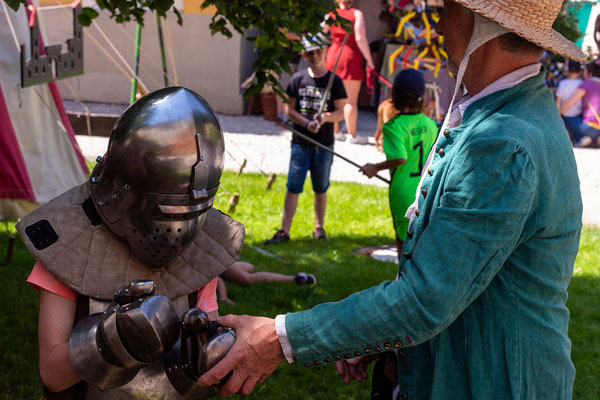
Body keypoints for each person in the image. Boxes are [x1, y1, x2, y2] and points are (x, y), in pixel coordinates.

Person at [198, 1, 585, 399]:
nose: (437, 27)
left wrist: (279, 338)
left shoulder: (502, 142)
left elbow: (425, 300)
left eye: (447, 10)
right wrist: (386, 338)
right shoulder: (509, 113)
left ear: (479, 24)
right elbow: (458, 278)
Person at [17, 87, 245, 399]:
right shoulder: (67, 247)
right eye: (163, 210)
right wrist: (110, 341)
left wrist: (203, 359)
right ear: (120, 189)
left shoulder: (198, 253)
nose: (175, 232)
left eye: (188, 213)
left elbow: (199, 374)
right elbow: (54, 376)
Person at [264, 35, 346, 245]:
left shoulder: (334, 82)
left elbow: (340, 112)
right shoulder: (298, 79)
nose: (315, 55)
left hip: (324, 144)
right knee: (293, 185)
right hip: (300, 143)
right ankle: (284, 230)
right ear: (304, 54)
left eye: (318, 51)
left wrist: (326, 117)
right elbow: (288, 109)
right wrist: (305, 122)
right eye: (310, 52)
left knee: (320, 186)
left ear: (325, 51)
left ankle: (319, 227)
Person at [360, 69, 437, 257]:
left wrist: (374, 167)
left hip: (403, 193)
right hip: (428, 189)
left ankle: (402, 281)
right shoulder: (430, 123)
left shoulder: (393, 127)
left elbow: (400, 158)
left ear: (393, 95)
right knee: (423, 241)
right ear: (422, 96)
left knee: (403, 242)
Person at [323, 0, 376, 145]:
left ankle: (335, 132)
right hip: (350, 56)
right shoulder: (356, 14)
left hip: (333, 54)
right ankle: (352, 135)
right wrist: (370, 60)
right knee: (350, 100)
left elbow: (322, 32)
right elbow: (360, 38)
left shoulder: (332, 13)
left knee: (333, 96)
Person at [217, 261, 316, 305]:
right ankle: (236, 266)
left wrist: (223, 297)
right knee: (249, 268)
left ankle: (295, 278)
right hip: (220, 268)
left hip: (219, 263)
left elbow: (217, 281)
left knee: (247, 279)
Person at [560, 61, 600, 148]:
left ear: (590, 74)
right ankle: (589, 139)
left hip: (592, 126)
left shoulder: (586, 84)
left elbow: (569, 103)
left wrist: (557, 114)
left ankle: (582, 139)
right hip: (597, 125)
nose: (583, 73)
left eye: (584, 71)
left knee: (565, 116)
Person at [555, 61, 583, 142]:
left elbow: (558, 101)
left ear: (567, 71)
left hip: (565, 116)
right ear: (580, 72)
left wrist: (556, 117)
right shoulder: (582, 83)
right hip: (579, 116)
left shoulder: (563, 83)